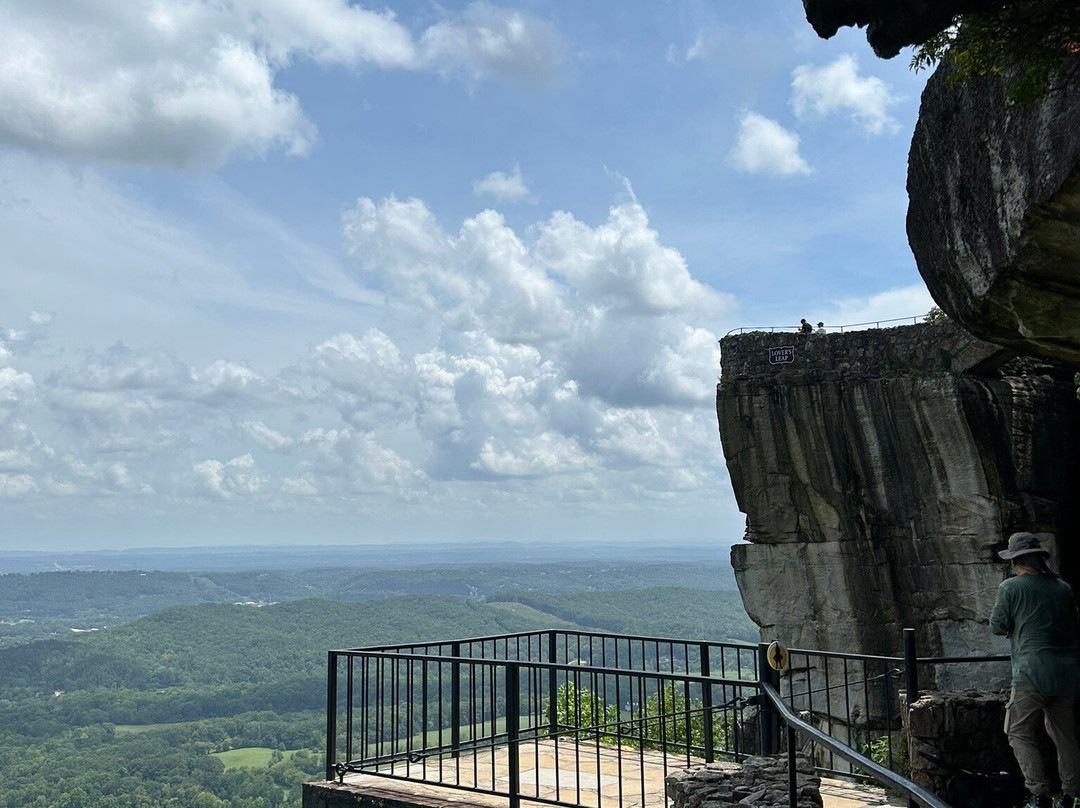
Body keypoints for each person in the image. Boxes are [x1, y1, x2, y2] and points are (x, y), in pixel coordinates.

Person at [990, 532, 1080, 808]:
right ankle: (1072, 795)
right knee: (1066, 737)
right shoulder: (1062, 587)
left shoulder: (1011, 587)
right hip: (1066, 674)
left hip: (1031, 672)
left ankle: (1038, 793)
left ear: (1015, 561)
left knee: (1017, 730)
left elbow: (997, 625)